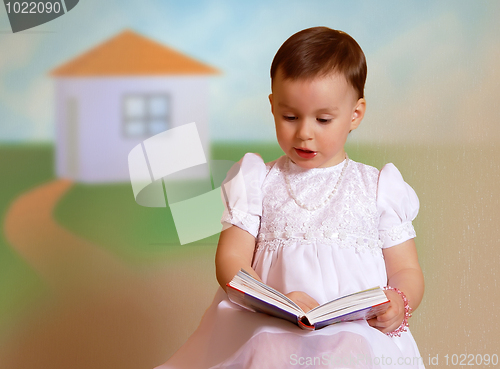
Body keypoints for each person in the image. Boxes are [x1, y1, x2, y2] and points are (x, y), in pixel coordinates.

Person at [155, 26, 425, 369]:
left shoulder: (378, 187)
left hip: (356, 329)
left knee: (348, 354)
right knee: (266, 351)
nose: (304, 133)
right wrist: (279, 301)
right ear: (273, 106)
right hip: (269, 324)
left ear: (355, 114)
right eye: (290, 117)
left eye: (323, 119)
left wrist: (400, 301)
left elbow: (406, 269)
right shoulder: (257, 180)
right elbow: (230, 260)